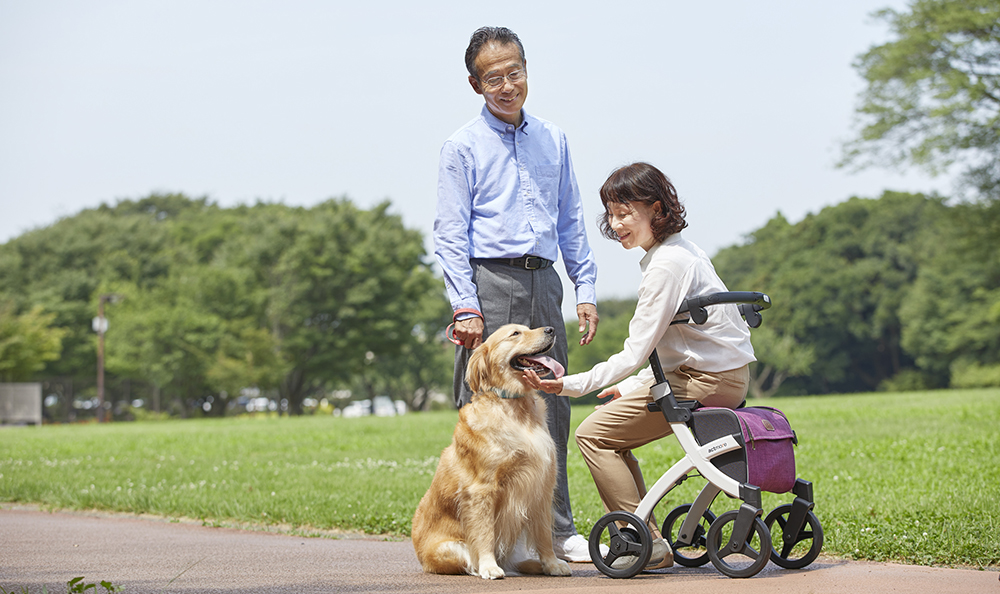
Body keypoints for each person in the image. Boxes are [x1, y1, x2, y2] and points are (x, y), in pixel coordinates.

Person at [523, 162, 756, 569]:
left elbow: (634, 352)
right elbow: (679, 346)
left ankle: (645, 541)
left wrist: (567, 385)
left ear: (656, 209)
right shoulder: (682, 252)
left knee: (592, 434)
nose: (615, 225)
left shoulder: (665, 266)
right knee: (612, 432)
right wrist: (631, 389)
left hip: (704, 382)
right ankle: (647, 532)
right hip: (723, 377)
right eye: (610, 215)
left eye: (625, 213)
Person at [433, 26, 600, 563]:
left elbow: (572, 217)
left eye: (515, 73)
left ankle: (553, 532)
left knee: (551, 404)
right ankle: (479, 537)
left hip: (543, 281)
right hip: (489, 283)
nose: (507, 85)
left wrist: (585, 288)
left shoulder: (554, 138)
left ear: (527, 70)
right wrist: (465, 305)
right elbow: (450, 232)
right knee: (484, 408)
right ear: (475, 83)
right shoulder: (461, 147)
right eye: (493, 78)